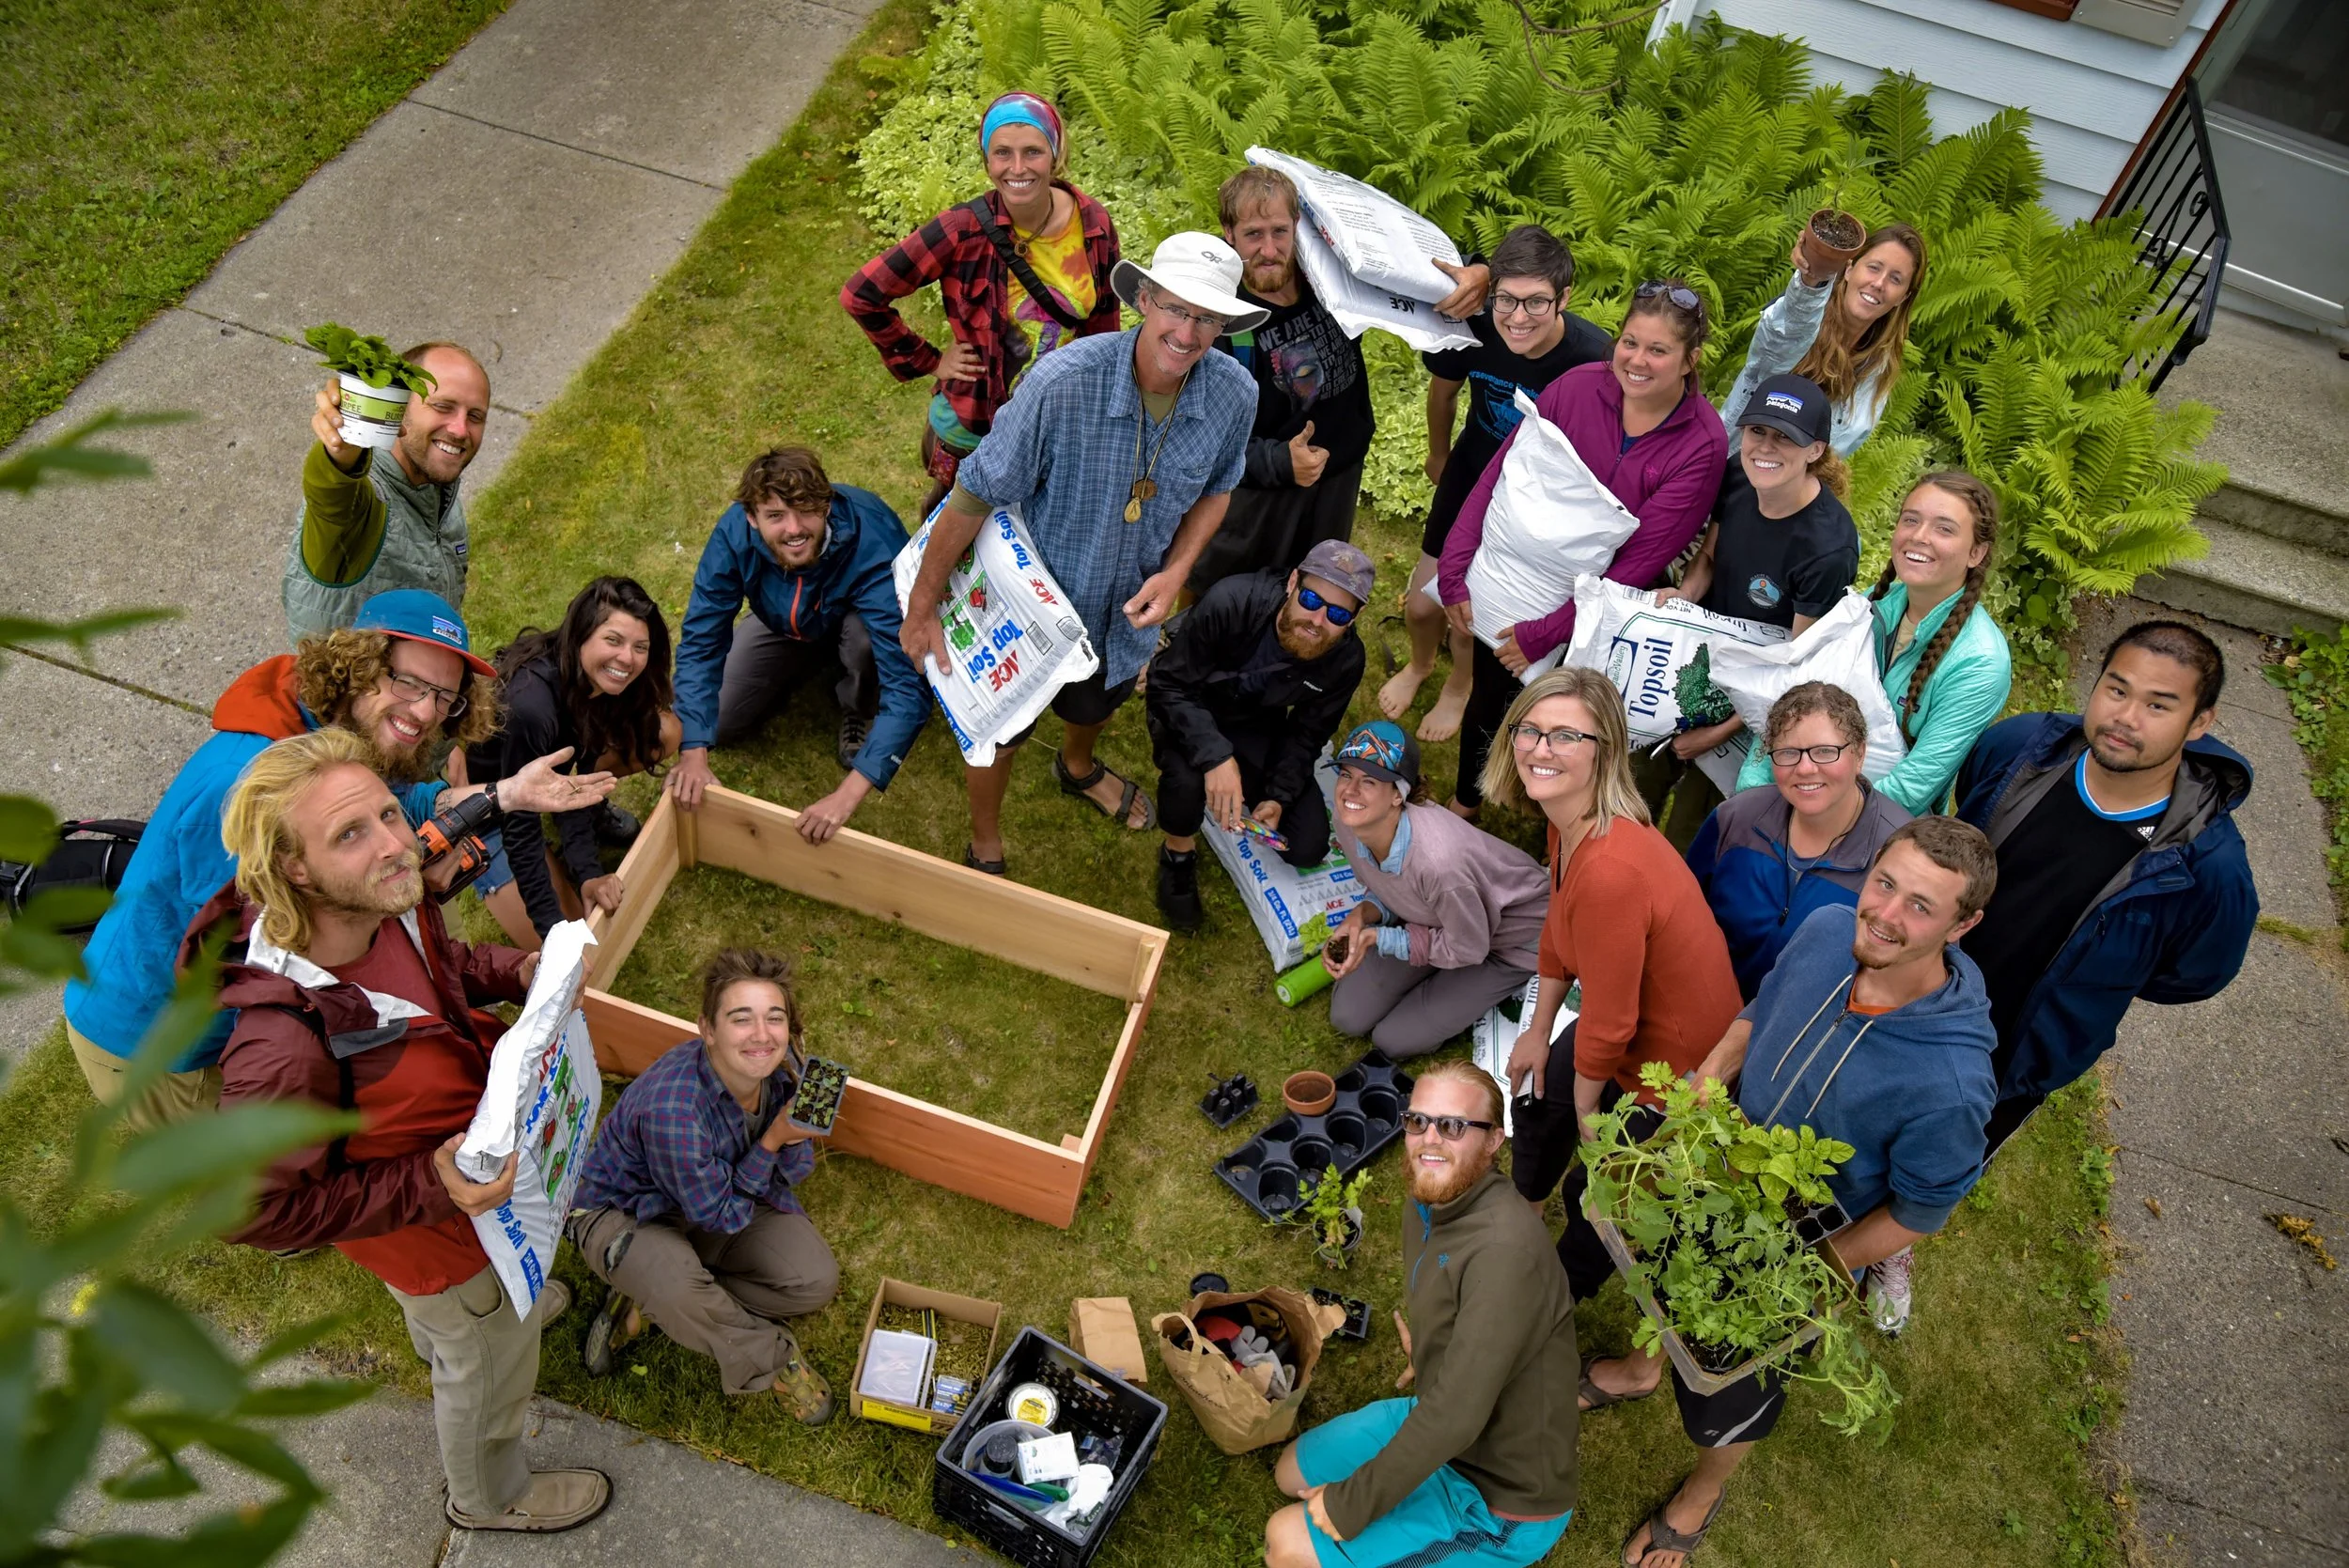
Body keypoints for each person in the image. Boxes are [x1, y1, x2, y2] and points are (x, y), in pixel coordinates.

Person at [210, 728, 610, 1533]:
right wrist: (431, 1180)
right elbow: (248, 1211)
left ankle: (475, 1324)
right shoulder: (282, 1051)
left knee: (472, 1326)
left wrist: (515, 972)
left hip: (470, 1203)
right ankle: (489, 1496)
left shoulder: (373, 901)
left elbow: (444, 962)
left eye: (390, 813)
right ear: (294, 868)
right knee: (484, 1367)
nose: (396, 846)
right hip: (438, 1240)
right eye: (350, 834)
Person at [1595, 817, 1999, 1568]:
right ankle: (1644, 1364)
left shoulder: (1950, 1083)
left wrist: (1817, 1269)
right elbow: (1759, 1012)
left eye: (1921, 906)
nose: (1884, 913)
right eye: (1884, 882)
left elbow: (1920, 1210)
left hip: (1800, 1235)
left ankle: (1704, 1488)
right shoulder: (1823, 929)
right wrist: (1707, 1080)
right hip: (1720, 1164)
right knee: (1661, 1277)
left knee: (1731, 1384)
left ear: (1963, 924)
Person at [63, 590, 609, 1129]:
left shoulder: (344, 732)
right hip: (159, 1043)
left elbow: (404, 803)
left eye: (444, 697)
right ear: (359, 664)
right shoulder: (246, 787)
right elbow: (254, 953)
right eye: (408, 682)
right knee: (275, 1183)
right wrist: (407, 880)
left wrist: (507, 793)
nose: (424, 712)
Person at [899, 231, 1259, 874]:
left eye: (1208, 317)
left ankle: (1077, 765)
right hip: (1028, 606)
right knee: (1001, 731)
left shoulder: (1237, 393)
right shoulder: (1061, 384)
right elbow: (975, 491)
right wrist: (922, 609)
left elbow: (1220, 487)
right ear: (1145, 299)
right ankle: (985, 840)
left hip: (1123, 614)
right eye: (1177, 307)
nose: (1188, 331)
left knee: (1095, 703)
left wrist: (1176, 571)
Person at [1955, 620, 2258, 1156]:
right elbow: (1967, 812)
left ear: (2199, 723)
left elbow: (2193, 975)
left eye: (2159, 706)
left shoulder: (2209, 866)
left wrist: (2094, 978)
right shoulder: (2021, 749)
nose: (2126, 717)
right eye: (2117, 689)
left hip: (2009, 1066)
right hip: (1913, 998)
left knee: (1925, 1183)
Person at [1262, 1060, 1578, 1568]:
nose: (1430, 1140)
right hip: (1438, 1419)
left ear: (1494, 1141)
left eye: (1454, 1126)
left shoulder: (1505, 1252)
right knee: (1289, 1475)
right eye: (1418, 1122)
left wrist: (1352, 1504)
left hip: (1497, 1494)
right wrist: (1431, 1349)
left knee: (1286, 1543)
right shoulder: (1430, 1197)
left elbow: (1456, 1415)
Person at [1486, 668, 1742, 1294]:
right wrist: (1538, 1030)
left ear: (1606, 753)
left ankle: (1555, 1289)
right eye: (1531, 730)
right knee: (1539, 1095)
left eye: (1567, 736)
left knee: (1602, 1189)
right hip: (1627, 1027)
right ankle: (1522, 1211)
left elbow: (1610, 1022)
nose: (1542, 749)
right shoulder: (1566, 817)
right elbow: (1559, 923)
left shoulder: (1611, 868)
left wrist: (1590, 1116)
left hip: (1678, 1064)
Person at [1437, 281, 1728, 816]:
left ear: (1690, 360)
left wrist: (1545, 633)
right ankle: (1468, 800)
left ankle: (1559, 820)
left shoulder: (1701, 444)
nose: (1637, 361)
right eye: (1630, 343)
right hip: (1512, 579)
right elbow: (1500, 476)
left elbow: (1637, 564)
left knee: (1575, 717)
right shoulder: (1574, 388)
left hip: (1602, 605)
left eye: (1659, 350)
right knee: (1489, 690)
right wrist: (1455, 570)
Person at [567, 947, 841, 1424]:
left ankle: (659, 1301)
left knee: (814, 1281)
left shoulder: (781, 1070)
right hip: (624, 1213)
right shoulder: (674, 1110)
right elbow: (724, 1216)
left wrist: (790, 1127)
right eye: (741, 1019)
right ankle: (770, 1358)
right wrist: (774, 1137)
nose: (762, 1035)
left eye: (775, 1018)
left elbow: (789, 1175)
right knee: (678, 1286)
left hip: (714, 1195)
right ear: (708, 1030)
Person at [1382, 224, 1611, 744]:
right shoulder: (1477, 327)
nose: (1518, 318)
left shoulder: (1592, 359)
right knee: (1422, 602)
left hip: (1532, 499)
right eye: (1507, 299)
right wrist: (1438, 453)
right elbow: (1443, 395)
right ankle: (1420, 663)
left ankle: (1460, 684)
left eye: (1536, 303)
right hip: (1471, 469)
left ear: (1564, 298)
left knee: (1468, 607)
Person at [841, 92, 1121, 514]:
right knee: (952, 539)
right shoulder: (962, 230)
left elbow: (1103, 328)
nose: (1018, 168)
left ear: (1055, 154)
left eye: (1033, 152)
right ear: (987, 160)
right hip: (974, 429)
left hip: (1053, 428)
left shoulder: (1093, 225)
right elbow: (862, 294)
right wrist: (931, 361)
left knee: (1024, 547)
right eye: (1002, 154)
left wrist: (1103, 408)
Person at [668, 447, 929, 846]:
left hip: (860, 618)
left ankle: (859, 701)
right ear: (752, 518)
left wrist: (847, 795)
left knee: (864, 644)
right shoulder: (733, 534)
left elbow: (909, 686)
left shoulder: (874, 542)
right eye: (775, 516)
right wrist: (692, 750)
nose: (793, 529)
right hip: (784, 623)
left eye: (806, 510)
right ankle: (812, 656)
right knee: (717, 722)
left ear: (826, 506)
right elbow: (702, 639)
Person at [1643, 373, 1857, 844]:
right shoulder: (1738, 475)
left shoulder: (1827, 548)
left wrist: (1720, 730)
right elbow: (1710, 555)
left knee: (1691, 830)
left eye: (1786, 438)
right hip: (1700, 653)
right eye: (1758, 431)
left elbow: (1796, 665)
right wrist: (1688, 594)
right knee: (1636, 780)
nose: (1766, 447)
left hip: (1755, 695)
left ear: (1815, 451)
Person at [1735, 470, 2012, 813]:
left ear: (1977, 553)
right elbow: (1795, 702)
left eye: (1944, 528)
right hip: (1802, 791)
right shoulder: (1869, 607)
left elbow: (1914, 785)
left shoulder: (1980, 663)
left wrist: (1811, 823)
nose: (1920, 537)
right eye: (1911, 520)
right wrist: (1751, 793)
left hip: (1872, 831)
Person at [1146, 541, 1373, 929]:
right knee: (1185, 780)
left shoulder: (1347, 660)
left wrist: (1278, 797)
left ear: (1352, 619)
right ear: (1293, 582)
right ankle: (1178, 855)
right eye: (1311, 599)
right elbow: (1167, 683)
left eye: (1336, 613)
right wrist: (1216, 757)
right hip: (1190, 702)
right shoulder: (1232, 601)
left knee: (1306, 847)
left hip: (1256, 719)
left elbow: (1307, 733)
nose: (1317, 620)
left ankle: (1247, 791)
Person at [1185, 166, 1373, 597]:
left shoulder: (1331, 282)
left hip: (1338, 477)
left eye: (1279, 231)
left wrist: (1474, 272)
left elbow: (1408, 268)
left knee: (1309, 592)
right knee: (1227, 594)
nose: (1269, 250)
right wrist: (1280, 463)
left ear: (1298, 227)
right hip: (1258, 498)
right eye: (1254, 235)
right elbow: (1199, 439)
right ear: (1228, 232)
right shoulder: (1219, 319)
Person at [469, 577, 681, 948]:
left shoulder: (596, 680)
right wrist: (553, 933)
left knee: (664, 731)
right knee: (570, 936)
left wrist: (587, 873)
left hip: (544, 777)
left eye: (640, 647)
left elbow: (574, 778)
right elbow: (520, 827)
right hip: (488, 808)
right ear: (582, 633)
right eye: (613, 640)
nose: (627, 659)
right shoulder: (532, 708)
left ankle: (588, 826)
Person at [1319, 721, 1548, 1058]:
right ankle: (1432, 968)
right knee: (1347, 1016)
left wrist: (1381, 938)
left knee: (1393, 1040)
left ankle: (1470, 986)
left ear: (1399, 794)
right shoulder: (1349, 819)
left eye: (1369, 781)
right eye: (1345, 775)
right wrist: (1360, 916)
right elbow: (1388, 886)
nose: (1350, 792)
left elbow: (1470, 947)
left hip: (1506, 943)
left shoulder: (1440, 865)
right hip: (1438, 920)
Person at [1686, 682, 1910, 1000]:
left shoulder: (1902, 854)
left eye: (1824, 751)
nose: (1805, 769)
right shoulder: (1734, 821)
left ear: (1859, 753)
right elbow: (1682, 918)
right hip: (1712, 1015)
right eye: (1788, 753)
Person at [286, 341, 492, 644]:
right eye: (442, 407)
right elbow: (331, 492)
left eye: (475, 416)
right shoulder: (364, 499)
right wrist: (340, 450)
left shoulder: (440, 496)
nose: (461, 430)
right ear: (397, 406)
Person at [1719, 223, 1927, 458]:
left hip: (1786, 492)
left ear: (1904, 297)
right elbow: (1784, 336)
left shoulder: (1878, 368)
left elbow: (1838, 450)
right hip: (1728, 467)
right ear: (1849, 269)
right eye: (1874, 268)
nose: (1879, 284)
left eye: (1896, 279)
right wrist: (1811, 279)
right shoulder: (1803, 320)